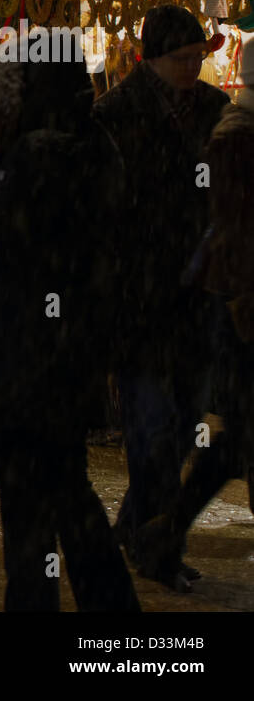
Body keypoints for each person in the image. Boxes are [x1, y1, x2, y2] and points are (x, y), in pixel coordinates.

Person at [0, 37, 140, 611]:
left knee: (34, 506)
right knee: (65, 493)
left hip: (26, 355)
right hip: (68, 351)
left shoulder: (36, 155)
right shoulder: (90, 141)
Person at [93, 5, 229, 591]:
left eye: (199, 54)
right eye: (182, 56)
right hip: (138, 298)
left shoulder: (215, 111)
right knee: (151, 429)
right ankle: (158, 547)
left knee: (178, 425)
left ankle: (137, 528)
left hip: (197, 295)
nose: (194, 64)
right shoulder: (116, 115)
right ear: (153, 59)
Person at [134, 37, 254, 586]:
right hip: (236, 305)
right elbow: (230, 226)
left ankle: (164, 529)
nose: (192, 67)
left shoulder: (228, 124)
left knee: (236, 438)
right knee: (231, 436)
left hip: (230, 300)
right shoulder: (237, 133)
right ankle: (162, 529)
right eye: (181, 56)